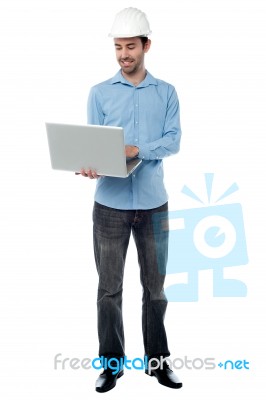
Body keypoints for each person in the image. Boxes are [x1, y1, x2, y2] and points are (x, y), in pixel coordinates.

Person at [79, 7, 182, 393]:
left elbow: (173, 141)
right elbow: (92, 145)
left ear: (146, 45)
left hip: (154, 204)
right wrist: (90, 165)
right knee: (109, 290)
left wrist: (139, 148)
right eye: (118, 47)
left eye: (131, 47)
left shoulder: (167, 92)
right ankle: (111, 365)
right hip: (109, 206)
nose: (124, 54)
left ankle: (157, 363)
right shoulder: (99, 93)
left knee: (155, 290)